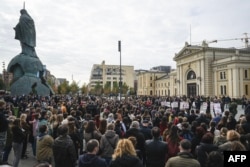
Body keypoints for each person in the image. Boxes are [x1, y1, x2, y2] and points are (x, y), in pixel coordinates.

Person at [0, 100, 8, 165]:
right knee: (1, 145)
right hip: (2, 132)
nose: (5, 106)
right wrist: (8, 121)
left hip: (2, 131)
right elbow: (3, 122)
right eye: (4, 105)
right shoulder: (0, 113)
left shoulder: (2, 113)